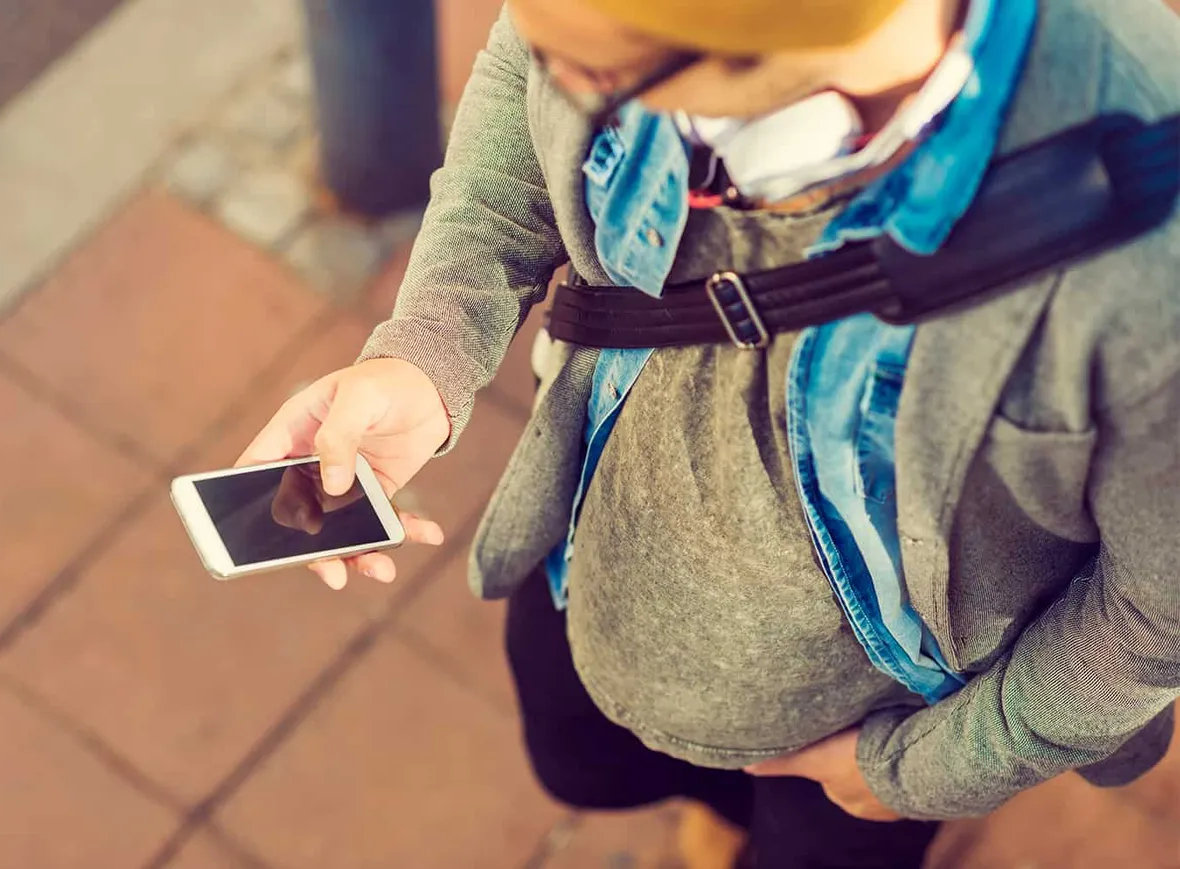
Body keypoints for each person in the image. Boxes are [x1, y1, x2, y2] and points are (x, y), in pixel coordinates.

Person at [240, 1, 1180, 866]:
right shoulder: (610, 25)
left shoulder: (1152, 273)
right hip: (587, 575)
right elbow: (525, 80)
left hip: (873, 730)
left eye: (598, 78)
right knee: (586, 768)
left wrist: (929, 771)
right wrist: (428, 349)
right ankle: (719, 811)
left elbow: (1155, 616)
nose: (551, 75)